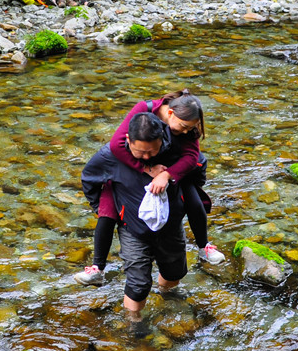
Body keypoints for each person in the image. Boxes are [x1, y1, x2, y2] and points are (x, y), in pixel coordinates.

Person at [75, 90, 223, 286]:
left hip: (174, 167)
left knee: (192, 197)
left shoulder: (187, 128)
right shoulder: (144, 110)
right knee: (107, 212)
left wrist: (167, 174)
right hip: (125, 171)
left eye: (191, 128)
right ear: (170, 113)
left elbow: (192, 158)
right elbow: (116, 145)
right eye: (183, 127)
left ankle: (204, 246)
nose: (187, 131)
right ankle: (97, 268)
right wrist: (145, 168)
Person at [81, 113, 188, 324]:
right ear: (128, 140)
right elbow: (88, 178)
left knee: (175, 269)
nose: (147, 157)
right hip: (132, 228)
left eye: (152, 151)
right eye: (140, 152)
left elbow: (196, 166)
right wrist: (106, 209)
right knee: (138, 284)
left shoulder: (175, 149)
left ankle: (167, 296)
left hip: (170, 224)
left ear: (162, 141)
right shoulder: (110, 156)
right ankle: (134, 324)